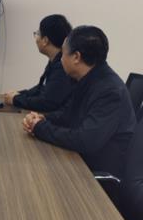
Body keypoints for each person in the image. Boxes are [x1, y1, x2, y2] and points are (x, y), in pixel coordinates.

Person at [22, 26, 136, 178]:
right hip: (80, 160)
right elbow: (68, 113)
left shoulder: (110, 91)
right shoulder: (87, 78)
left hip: (97, 174)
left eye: (63, 53)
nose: (60, 59)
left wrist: (40, 128)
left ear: (76, 57)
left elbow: (85, 141)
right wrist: (44, 119)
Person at [4, 14, 74, 112]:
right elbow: (41, 88)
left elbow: (46, 102)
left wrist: (15, 99)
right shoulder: (55, 60)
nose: (36, 38)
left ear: (45, 40)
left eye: (37, 33)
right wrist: (19, 94)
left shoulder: (62, 66)